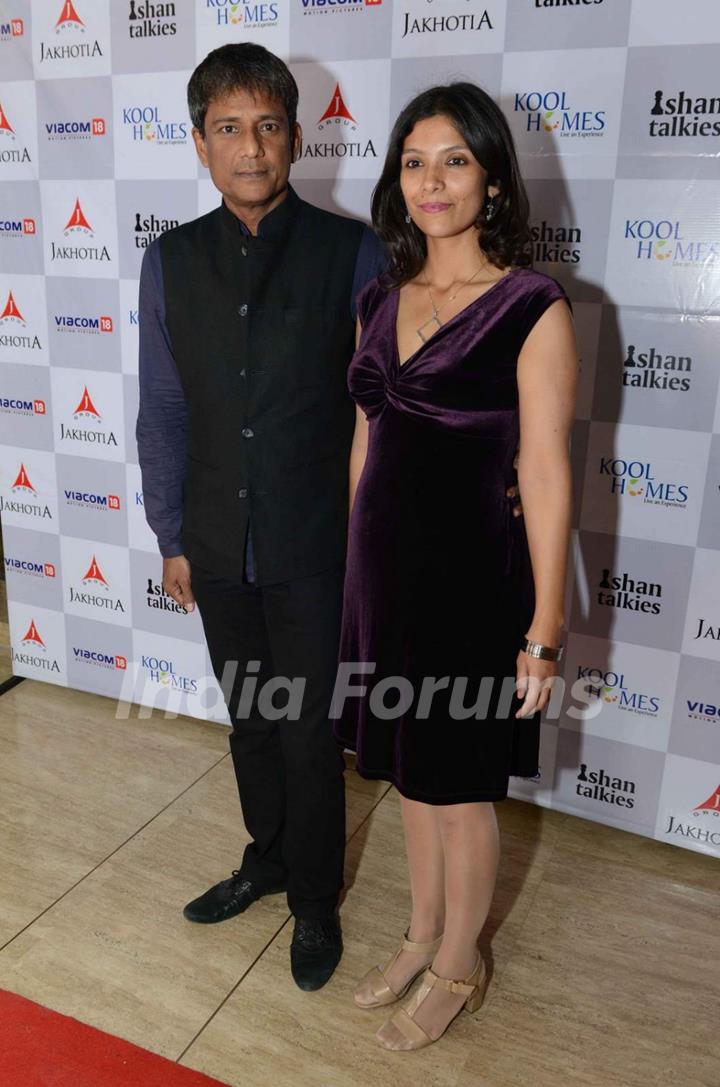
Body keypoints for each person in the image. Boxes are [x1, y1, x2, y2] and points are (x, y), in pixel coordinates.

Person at [136, 43, 389, 991]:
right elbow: (162, 409)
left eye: (268, 127)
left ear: (295, 137)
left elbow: (379, 412)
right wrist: (172, 535)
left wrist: (369, 539)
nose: (251, 148)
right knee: (249, 720)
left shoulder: (353, 252)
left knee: (308, 731)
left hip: (315, 544)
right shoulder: (171, 259)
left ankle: (315, 900)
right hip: (213, 541)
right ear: (199, 142)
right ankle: (269, 859)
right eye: (229, 129)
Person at [332, 83, 577, 1049]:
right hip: (383, 581)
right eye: (414, 161)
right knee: (407, 775)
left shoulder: (531, 306)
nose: (432, 181)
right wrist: (356, 575)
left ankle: (460, 963)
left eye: (455, 160)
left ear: (491, 178)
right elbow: (366, 442)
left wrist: (544, 631)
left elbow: (548, 474)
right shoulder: (380, 298)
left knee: (459, 790)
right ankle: (424, 929)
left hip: (476, 585)